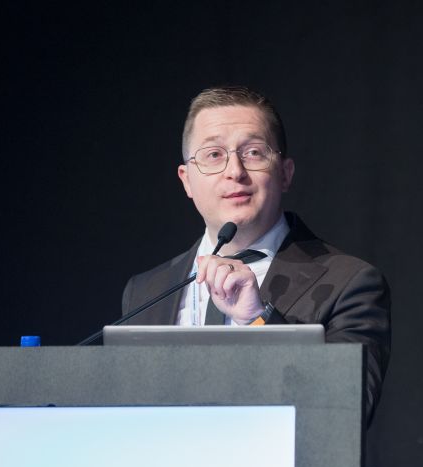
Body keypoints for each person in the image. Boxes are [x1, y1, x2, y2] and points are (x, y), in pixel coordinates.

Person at [121, 86, 390, 425]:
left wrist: (258, 319)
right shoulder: (146, 292)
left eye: (253, 152)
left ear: (285, 173)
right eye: (214, 155)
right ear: (186, 180)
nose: (235, 171)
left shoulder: (349, 284)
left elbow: (347, 415)